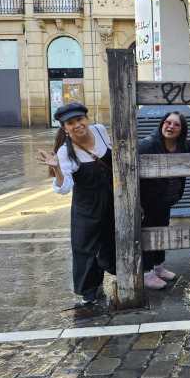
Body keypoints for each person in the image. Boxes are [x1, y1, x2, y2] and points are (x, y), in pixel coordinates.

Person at [36, 103, 115, 306]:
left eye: (80, 119)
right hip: (86, 206)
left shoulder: (100, 130)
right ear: (64, 128)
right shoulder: (65, 152)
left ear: (86, 119)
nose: (77, 125)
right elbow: (64, 188)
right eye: (70, 123)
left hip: (111, 197)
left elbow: (113, 153)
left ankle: (116, 273)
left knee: (111, 239)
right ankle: (89, 290)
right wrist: (57, 170)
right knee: (85, 247)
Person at [138, 111, 190, 290]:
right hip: (147, 200)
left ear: (182, 129)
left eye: (176, 124)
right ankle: (146, 273)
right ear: (162, 124)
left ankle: (158, 267)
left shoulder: (184, 146)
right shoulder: (147, 144)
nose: (171, 127)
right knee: (147, 234)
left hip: (166, 198)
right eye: (168, 122)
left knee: (161, 231)